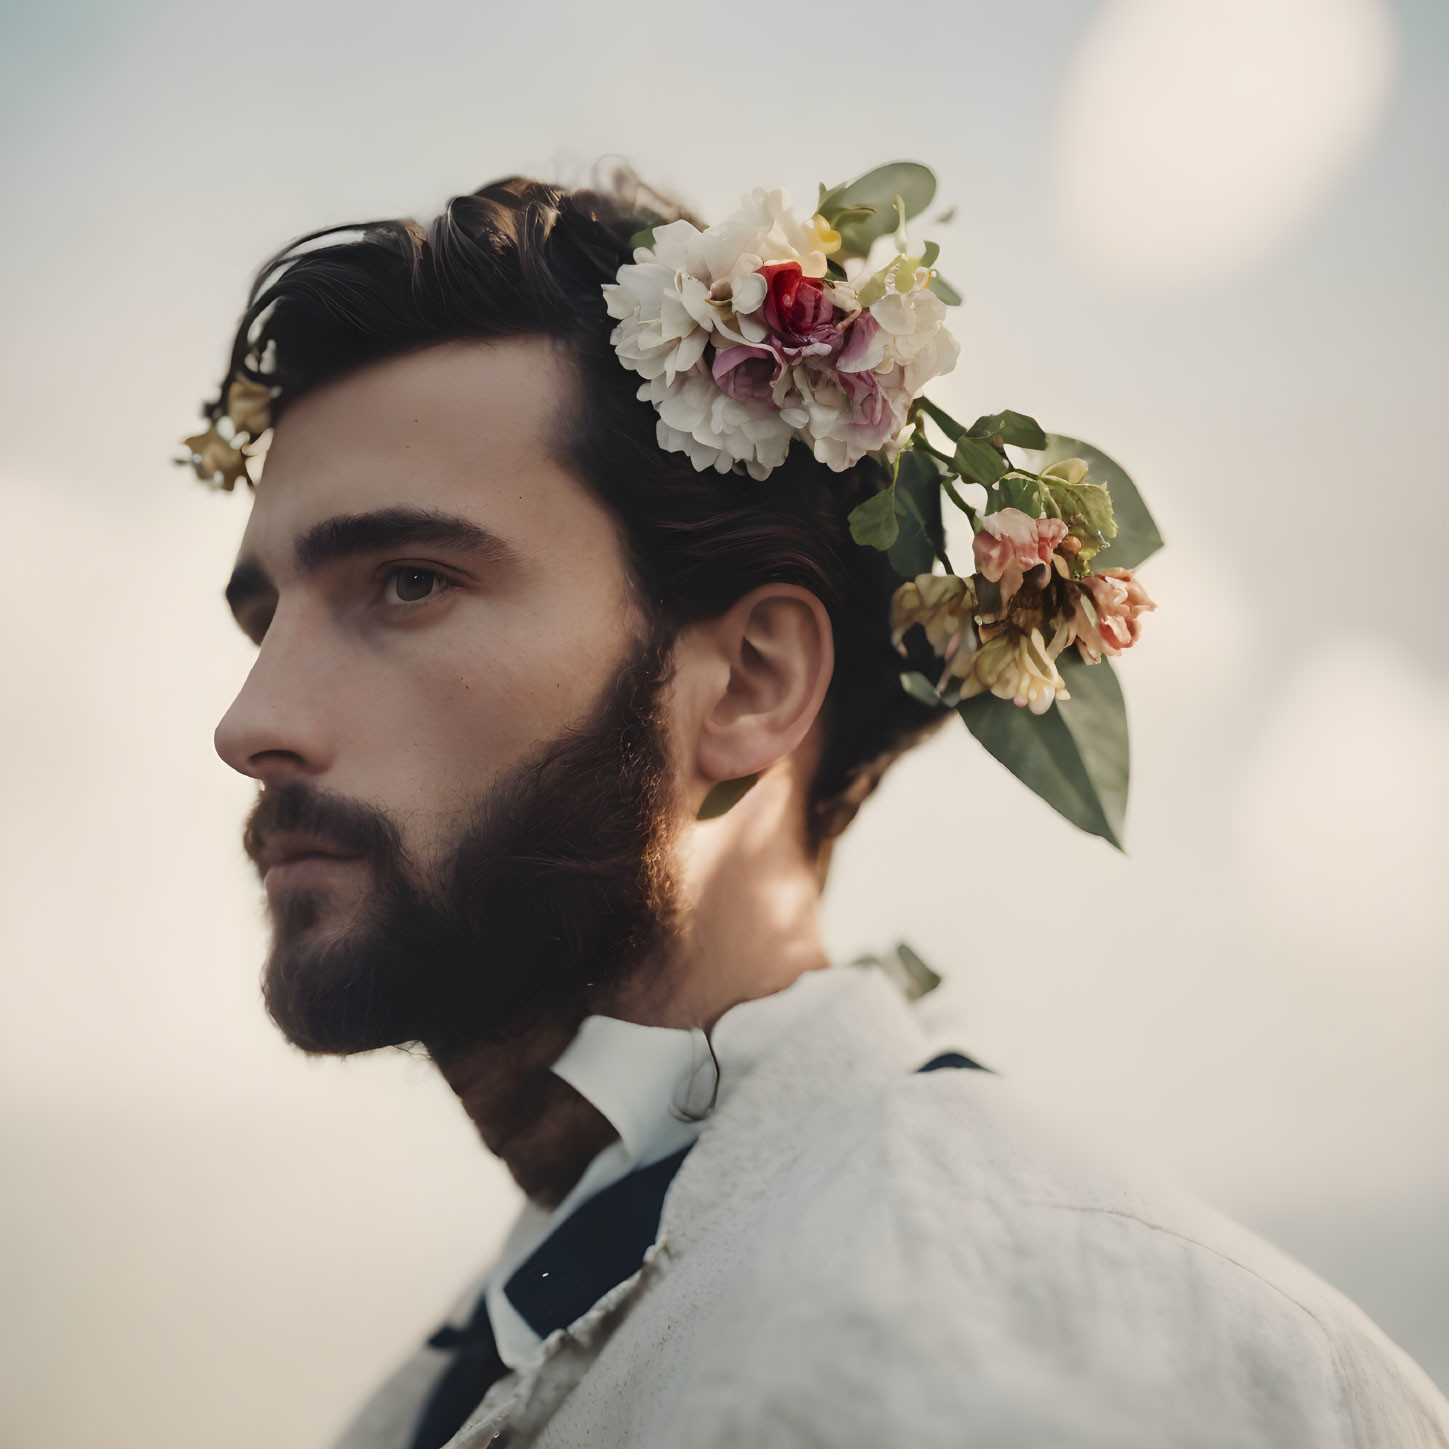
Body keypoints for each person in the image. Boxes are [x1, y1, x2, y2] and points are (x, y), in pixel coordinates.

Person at [183, 169, 1449, 1448]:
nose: (250, 725)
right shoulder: (498, 1339)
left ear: (750, 682)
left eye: (408, 582)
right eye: (262, 616)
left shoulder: (1018, 1338)